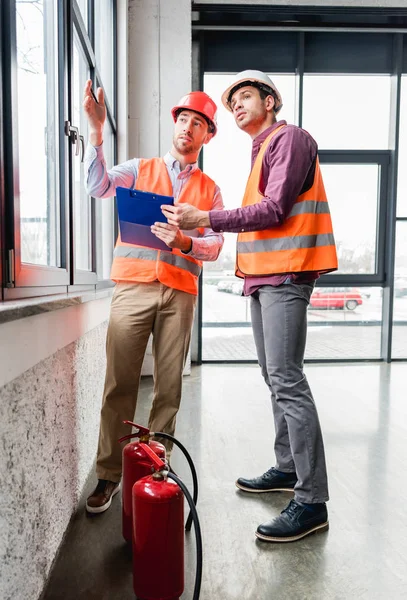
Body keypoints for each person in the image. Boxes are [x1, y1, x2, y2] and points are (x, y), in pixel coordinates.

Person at [162, 70, 338, 542]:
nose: (237, 105)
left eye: (245, 96)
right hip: (263, 278)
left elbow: (274, 210)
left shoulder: (290, 139)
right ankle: (287, 469)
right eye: (233, 100)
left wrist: (207, 217)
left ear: (270, 101)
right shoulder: (260, 150)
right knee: (274, 378)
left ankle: (312, 499)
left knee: (287, 379)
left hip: (287, 275)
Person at [82, 80, 224, 514]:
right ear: (175, 125)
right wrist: (95, 132)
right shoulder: (139, 169)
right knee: (118, 385)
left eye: (197, 123)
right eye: (183, 119)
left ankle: (156, 471)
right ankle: (109, 474)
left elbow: (215, 246)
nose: (187, 127)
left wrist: (185, 242)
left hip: (179, 295)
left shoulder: (210, 189)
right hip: (133, 289)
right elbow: (98, 186)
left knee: (168, 389)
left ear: (207, 135)